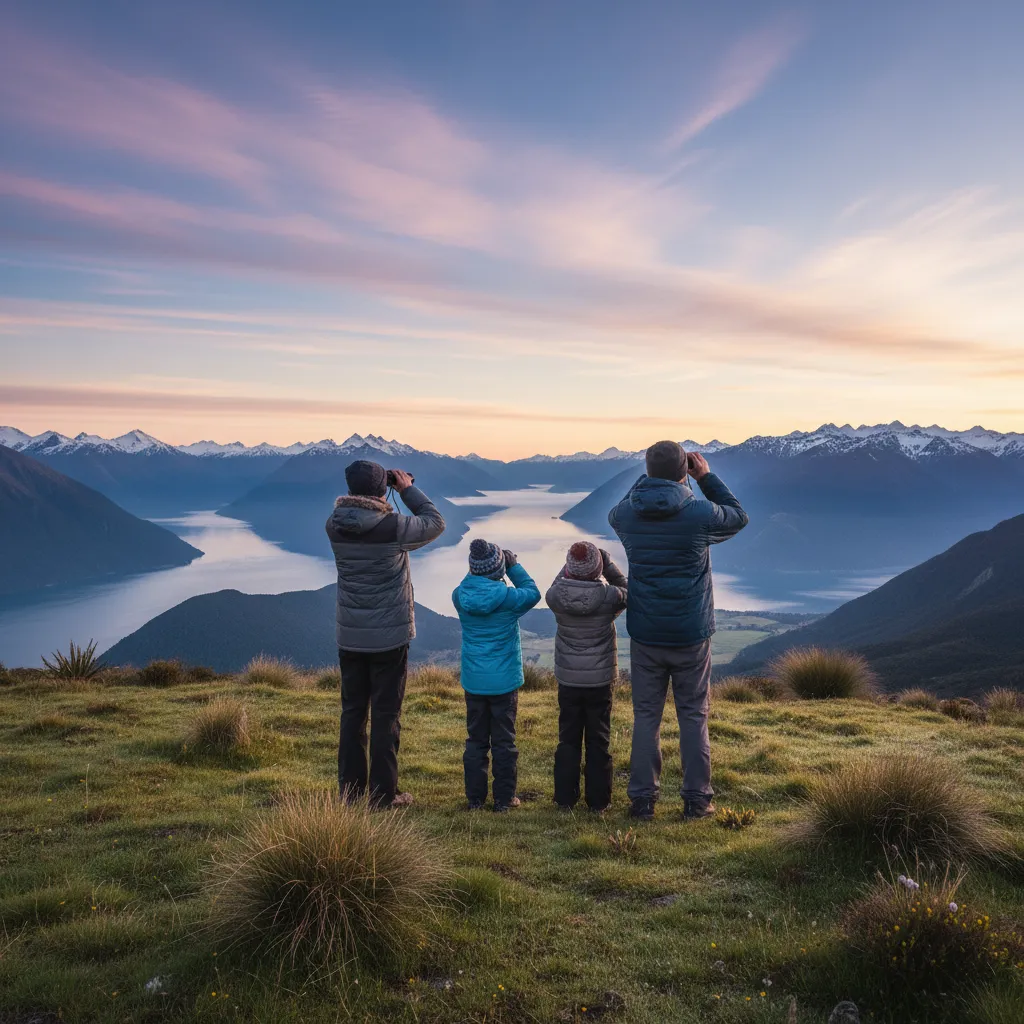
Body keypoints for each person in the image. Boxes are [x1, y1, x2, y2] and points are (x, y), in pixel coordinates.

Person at [609, 440, 748, 822]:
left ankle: (642, 801)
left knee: (646, 717)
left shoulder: (626, 517)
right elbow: (738, 516)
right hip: (690, 632)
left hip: (646, 633)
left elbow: (617, 509)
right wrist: (704, 477)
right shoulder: (700, 514)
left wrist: (651, 477)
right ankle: (697, 801)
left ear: (648, 472)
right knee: (692, 716)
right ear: (684, 471)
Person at [326, 459, 445, 808]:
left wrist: (381, 492)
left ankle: (350, 793)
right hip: (389, 639)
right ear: (382, 489)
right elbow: (435, 523)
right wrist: (406, 489)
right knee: (385, 716)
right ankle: (383, 795)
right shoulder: (392, 527)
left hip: (350, 636)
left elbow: (361, 515)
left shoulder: (333, 525)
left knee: (352, 714)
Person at [452, 538, 541, 812]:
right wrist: (512, 566)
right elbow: (533, 592)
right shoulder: (508, 599)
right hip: (504, 683)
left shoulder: (459, 596)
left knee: (475, 740)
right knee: (504, 741)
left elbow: (474, 581)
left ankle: (475, 800)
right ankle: (504, 799)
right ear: (498, 569)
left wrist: (480, 567)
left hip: (475, 682)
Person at [546, 541, 628, 813]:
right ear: (597, 569)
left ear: (569, 568)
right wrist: (607, 563)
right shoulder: (610, 597)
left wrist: (571, 565)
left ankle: (565, 799)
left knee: (567, 738)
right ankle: (598, 802)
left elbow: (559, 582)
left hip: (568, 679)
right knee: (599, 740)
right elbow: (629, 589)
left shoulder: (556, 596)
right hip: (600, 680)